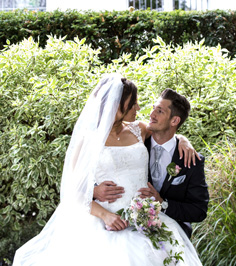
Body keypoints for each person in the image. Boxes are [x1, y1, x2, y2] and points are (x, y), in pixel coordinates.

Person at [13, 73, 203, 265]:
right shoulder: (87, 140)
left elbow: (167, 133)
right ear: (116, 105)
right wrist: (104, 213)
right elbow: (71, 191)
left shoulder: (139, 129)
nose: (138, 107)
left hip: (145, 218)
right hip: (104, 221)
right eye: (133, 103)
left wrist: (184, 141)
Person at [94, 88, 209, 239]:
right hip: (114, 224)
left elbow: (198, 210)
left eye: (159, 111)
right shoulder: (136, 145)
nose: (151, 114)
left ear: (174, 121)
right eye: (153, 108)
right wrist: (94, 191)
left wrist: (162, 203)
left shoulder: (191, 161)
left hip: (167, 231)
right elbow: (83, 182)